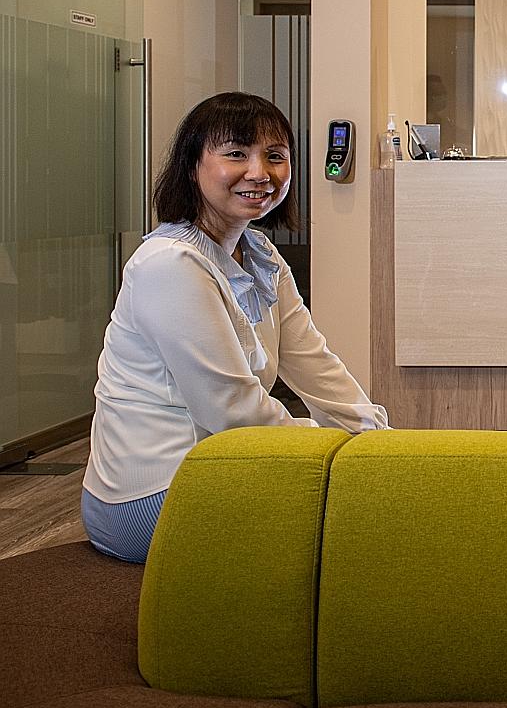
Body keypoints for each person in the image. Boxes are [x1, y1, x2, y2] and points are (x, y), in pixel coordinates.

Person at [81, 93, 389, 563]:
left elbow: (314, 363)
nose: (259, 172)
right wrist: (333, 450)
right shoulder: (170, 265)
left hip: (224, 465)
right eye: (236, 154)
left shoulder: (259, 253)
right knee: (358, 529)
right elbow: (232, 412)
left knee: (377, 501)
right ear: (192, 166)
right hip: (154, 494)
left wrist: (376, 439)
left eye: (275, 155)